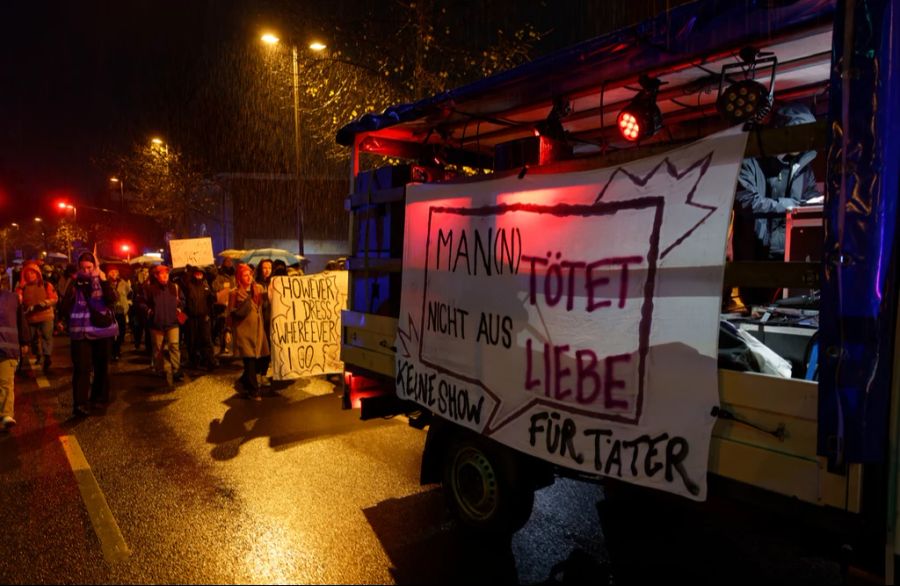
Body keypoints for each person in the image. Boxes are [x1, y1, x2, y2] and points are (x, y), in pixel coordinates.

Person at [733, 102, 821, 263]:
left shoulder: (804, 166)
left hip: (789, 254)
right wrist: (791, 206)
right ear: (782, 133)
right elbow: (745, 202)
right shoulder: (750, 159)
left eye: (805, 136)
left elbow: (810, 200)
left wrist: (814, 204)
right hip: (754, 256)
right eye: (796, 135)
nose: (801, 142)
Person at [60, 252, 118, 417]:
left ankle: (98, 398)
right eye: (83, 267)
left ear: (95, 266)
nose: (86, 270)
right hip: (81, 334)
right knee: (82, 369)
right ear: (78, 267)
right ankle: (80, 404)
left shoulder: (102, 280)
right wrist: (75, 290)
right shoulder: (74, 283)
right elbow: (64, 308)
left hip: (102, 332)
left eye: (89, 267)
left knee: (101, 367)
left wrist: (104, 281)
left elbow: (112, 299)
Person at [228, 263, 269, 400]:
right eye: (245, 275)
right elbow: (230, 312)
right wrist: (227, 331)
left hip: (258, 329)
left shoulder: (258, 288)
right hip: (243, 331)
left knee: (260, 359)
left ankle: (245, 380)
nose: (249, 277)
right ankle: (253, 390)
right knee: (250, 360)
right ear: (240, 277)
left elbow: (268, 300)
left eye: (250, 274)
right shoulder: (234, 293)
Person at [140, 264, 185, 389]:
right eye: (162, 273)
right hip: (156, 324)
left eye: (167, 273)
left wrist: (180, 308)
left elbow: (182, 300)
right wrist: (149, 311)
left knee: (174, 346)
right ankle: (159, 370)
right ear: (156, 275)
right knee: (158, 349)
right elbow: (142, 302)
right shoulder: (150, 289)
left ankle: (176, 370)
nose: (165, 275)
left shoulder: (174, 287)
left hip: (173, 323)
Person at [15, 260, 58, 373]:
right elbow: (17, 300)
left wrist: (43, 304)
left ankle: (47, 357)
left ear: (37, 273)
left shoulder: (46, 285)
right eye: (27, 274)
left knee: (46, 337)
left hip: (46, 316)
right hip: (30, 317)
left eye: (32, 273)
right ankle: (38, 355)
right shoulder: (21, 288)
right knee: (33, 339)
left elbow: (54, 298)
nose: (30, 275)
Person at [183, 265, 217, 371]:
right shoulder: (188, 285)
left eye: (201, 273)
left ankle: (209, 361)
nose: (199, 275)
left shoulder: (206, 285)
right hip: (191, 318)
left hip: (204, 317)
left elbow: (211, 300)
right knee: (192, 341)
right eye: (197, 273)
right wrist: (188, 269)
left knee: (206, 340)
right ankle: (194, 362)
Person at [0, 287, 25, 430]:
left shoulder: (12, 298)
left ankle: (5, 414)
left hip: (6, 347)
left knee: (5, 382)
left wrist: (24, 341)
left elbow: (20, 321)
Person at [253, 259, 274, 388]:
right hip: (259, 320)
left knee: (268, 350)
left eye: (269, 268)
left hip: (270, 321)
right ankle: (256, 374)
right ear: (260, 269)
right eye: (265, 268)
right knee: (260, 348)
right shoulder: (255, 284)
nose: (267, 270)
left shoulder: (274, 283)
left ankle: (263, 374)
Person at [106, 266, 132, 361]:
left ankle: (117, 348)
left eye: (115, 272)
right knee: (111, 333)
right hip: (111, 311)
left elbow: (129, 292)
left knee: (121, 331)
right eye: (111, 272)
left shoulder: (123, 283)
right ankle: (113, 351)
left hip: (121, 310)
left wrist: (126, 303)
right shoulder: (106, 283)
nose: (113, 274)